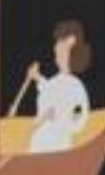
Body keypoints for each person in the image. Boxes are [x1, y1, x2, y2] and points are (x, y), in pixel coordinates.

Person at [28, 19, 93, 153]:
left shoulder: (75, 86)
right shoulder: (56, 81)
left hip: (57, 150)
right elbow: (49, 91)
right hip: (38, 150)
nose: (55, 48)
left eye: (59, 42)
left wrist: (56, 116)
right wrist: (38, 78)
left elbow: (79, 117)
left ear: (69, 44)